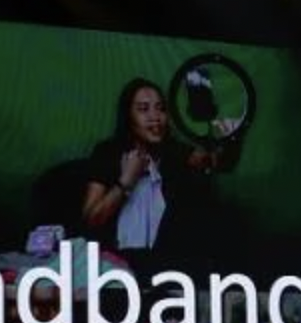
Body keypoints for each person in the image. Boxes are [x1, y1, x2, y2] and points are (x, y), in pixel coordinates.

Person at [80, 78, 239, 259]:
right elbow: (91, 219)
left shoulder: (175, 152)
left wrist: (233, 141)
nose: (155, 117)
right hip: (116, 262)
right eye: (143, 109)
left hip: (165, 261)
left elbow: (217, 163)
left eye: (160, 108)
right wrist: (126, 182)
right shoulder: (107, 152)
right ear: (128, 116)